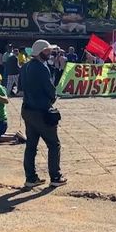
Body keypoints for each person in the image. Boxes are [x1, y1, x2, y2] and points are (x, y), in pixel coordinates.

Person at [21, 39, 66, 188]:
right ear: (41, 52)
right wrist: (53, 98)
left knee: (31, 145)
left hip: (27, 109)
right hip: (41, 111)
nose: (50, 52)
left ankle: (30, 178)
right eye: (47, 50)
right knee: (54, 144)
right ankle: (55, 176)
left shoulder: (26, 66)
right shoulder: (42, 68)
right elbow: (50, 89)